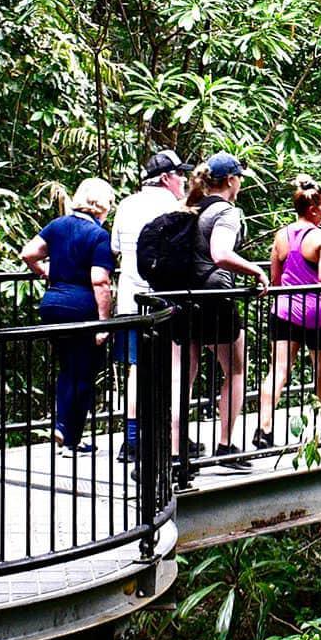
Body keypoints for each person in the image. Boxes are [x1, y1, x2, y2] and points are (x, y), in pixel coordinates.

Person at [20, 179, 117, 454]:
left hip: (52, 304)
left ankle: (62, 426)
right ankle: (71, 436)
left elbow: (28, 253)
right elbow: (100, 281)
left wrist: (45, 271)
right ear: (102, 205)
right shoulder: (98, 236)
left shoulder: (58, 225)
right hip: (81, 308)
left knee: (67, 368)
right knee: (84, 372)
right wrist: (103, 322)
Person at [110, 150, 186, 462]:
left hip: (129, 300)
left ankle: (131, 440)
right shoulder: (175, 207)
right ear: (167, 178)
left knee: (135, 369)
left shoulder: (126, 205)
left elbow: (116, 247)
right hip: (163, 302)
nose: (183, 180)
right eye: (179, 175)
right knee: (172, 369)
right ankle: (172, 439)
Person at [253, 178, 321, 456]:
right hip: (315, 313)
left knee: (278, 371)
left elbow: (276, 277)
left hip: (284, 310)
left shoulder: (281, 236)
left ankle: (263, 429)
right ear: (314, 209)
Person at [185, 154, 260, 464]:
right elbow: (220, 253)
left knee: (183, 376)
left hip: (184, 295)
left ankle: (178, 450)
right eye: (239, 177)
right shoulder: (226, 212)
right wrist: (255, 271)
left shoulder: (189, 206)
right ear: (230, 180)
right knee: (236, 369)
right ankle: (225, 445)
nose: (240, 183)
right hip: (215, 297)